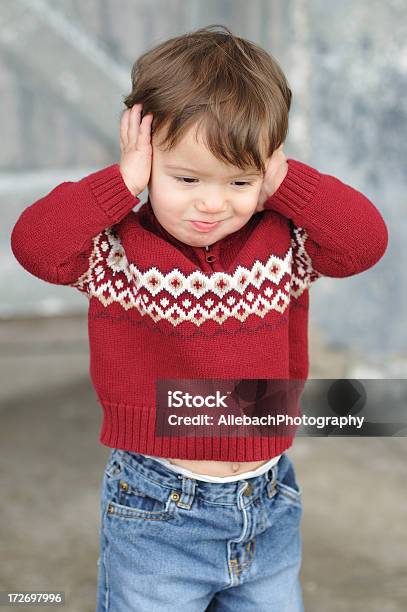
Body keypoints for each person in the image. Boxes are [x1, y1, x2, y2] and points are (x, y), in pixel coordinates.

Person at [10, 24, 388, 612]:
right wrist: (122, 182)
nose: (213, 204)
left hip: (267, 501)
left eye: (239, 182)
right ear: (148, 156)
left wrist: (285, 180)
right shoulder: (116, 252)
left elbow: (366, 241)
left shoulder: (284, 244)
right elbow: (35, 244)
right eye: (186, 179)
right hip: (159, 509)